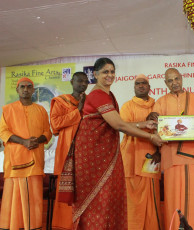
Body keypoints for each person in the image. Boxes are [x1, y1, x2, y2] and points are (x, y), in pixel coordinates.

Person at [58, 58, 165, 230]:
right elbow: (119, 125)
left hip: (105, 156)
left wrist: (144, 124)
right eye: (105, 72)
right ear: (95, 74)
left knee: (109, 199)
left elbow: (117, 122)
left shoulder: (107, 94)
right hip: (93, 158)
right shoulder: (97, 95)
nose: (110, 75)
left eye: (112, 71)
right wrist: (151, 138)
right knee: (97, 201)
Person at [148, 68, 194, 230]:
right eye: (170, 80)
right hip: (171, 158)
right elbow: (156, 129)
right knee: (173, 197)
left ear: (182, 79)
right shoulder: (160, 102)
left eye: (177, 79)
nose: (174, 83)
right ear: (165, 83)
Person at [0, 77, 52, 230]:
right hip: (15, 160)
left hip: (35, 159)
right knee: (14, 197)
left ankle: (33, 226)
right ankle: (12, 226)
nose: (25, 89)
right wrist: (24, 142)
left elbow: (47, 132)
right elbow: (3, 132)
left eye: (29, 87)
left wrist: (37, 140)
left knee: (34, 197)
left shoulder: (41, 110)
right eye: (22, 87)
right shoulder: (8, 109)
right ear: (17, 89)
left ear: (33, 90)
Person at [120, 74, 163, 230]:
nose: (141, 86)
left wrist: (160, 151)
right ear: (134, 87)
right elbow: (124, 127)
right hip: (130, 156)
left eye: (144, 83)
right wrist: (143, 124)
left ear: (149, 87)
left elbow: (164, 131)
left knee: (152, 198)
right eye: (137, 83)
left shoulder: (158, 105)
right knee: (130, 199)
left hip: (151, 157)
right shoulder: (127, 106)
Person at [50, 72, 89, 229]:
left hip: (85, 151)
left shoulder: (90, 101)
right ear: (72, 81)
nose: (83, 84)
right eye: (80, 81)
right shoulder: (61, 101)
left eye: (86, 82)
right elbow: (55, 124)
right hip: (67, 151)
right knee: (66, 188)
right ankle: (65, 225)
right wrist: (77, 110)